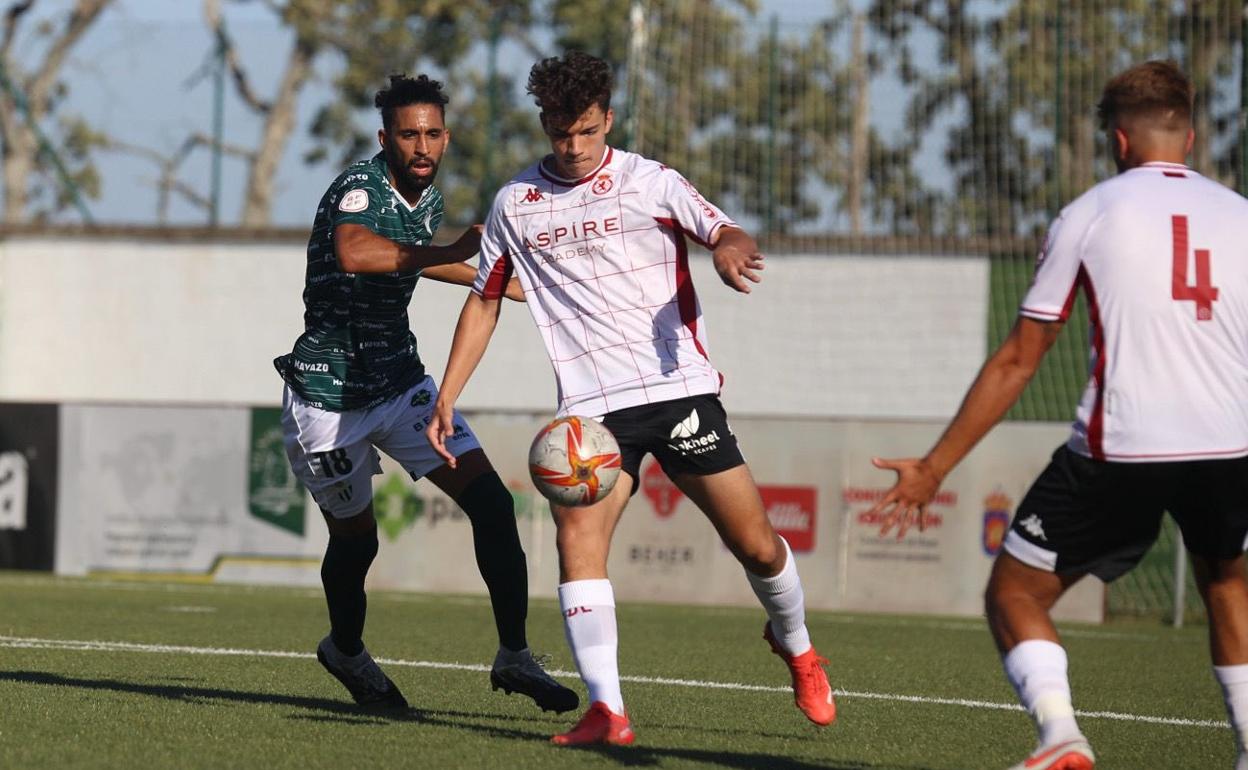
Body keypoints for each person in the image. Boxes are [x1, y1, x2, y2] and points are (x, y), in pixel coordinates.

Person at [426, 51, 834, 746]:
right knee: (576, 536)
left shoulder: (650, 182)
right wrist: (447, 395)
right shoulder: (516, 204)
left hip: (677, 393)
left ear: (608, 120)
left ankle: (797, 646)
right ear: (545, 123)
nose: (575, 147)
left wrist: (732, 247)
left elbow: (722, 228)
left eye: (587, 131)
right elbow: (485, 300)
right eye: (561, 132)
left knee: (758, 547)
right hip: (591, 410)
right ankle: (608, 709)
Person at [867, 60, 1248, 770]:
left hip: (1124, 446)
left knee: (1016, 592)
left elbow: (1020, 357)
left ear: (1119, 140)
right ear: (1190, 137)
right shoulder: (1241, 215)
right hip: (1231, 447)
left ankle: (1061, 738)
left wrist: (934, 467)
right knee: (1227, 584)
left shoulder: (1091, 212)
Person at [274, 73, 578, 715]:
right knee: (357, 542)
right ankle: (346, 652)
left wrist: (489, 279)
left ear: (445, 136)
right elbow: (357, 252)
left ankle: (515, 658)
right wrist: (454, 248)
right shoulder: (358, 189)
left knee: (493, 504)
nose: (421, 146)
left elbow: (420, 256)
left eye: (432, 133)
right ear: (384, 137)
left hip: (403, 386)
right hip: (328, 399)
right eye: (408, 134)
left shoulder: (429, 199)